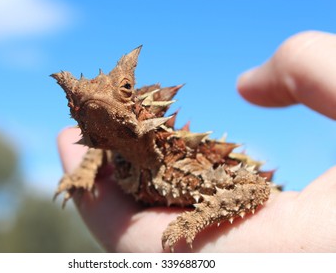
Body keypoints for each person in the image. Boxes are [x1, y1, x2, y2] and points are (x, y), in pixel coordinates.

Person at [57, 31, 336, 252]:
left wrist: (196, 219)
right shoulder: (117, 159)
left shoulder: (178, 165)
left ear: (138, 106)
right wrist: (84, 173)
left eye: (125, 90)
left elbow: (255, 187)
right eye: (76, 104)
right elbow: (109, 148)